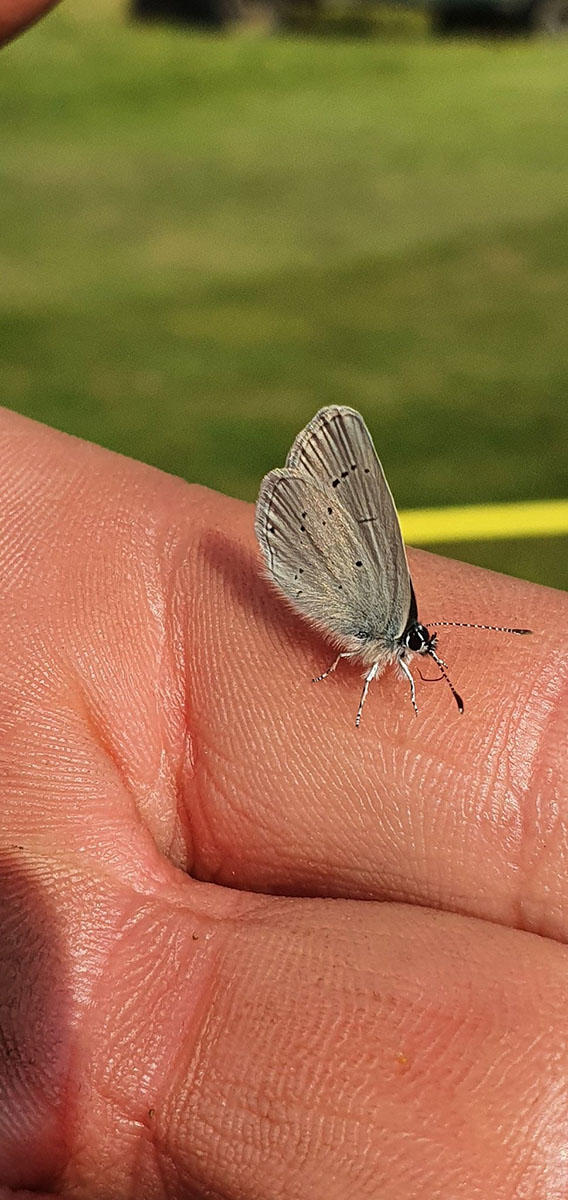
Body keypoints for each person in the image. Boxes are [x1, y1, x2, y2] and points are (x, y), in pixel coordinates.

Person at [1, 8, 567, 1196]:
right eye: (419, 649)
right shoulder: (384, 634)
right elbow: (394, 648)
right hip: (316, 581)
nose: (423, 652)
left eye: (422, 654)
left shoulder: (396, 640)